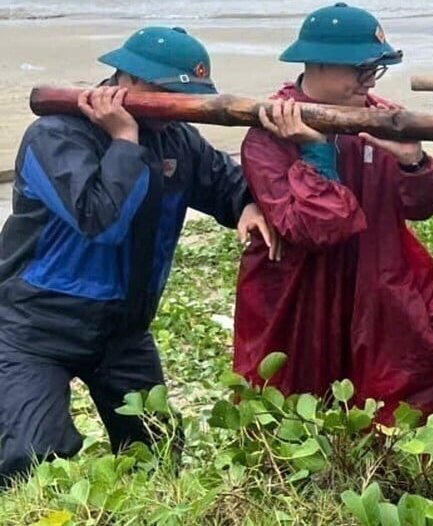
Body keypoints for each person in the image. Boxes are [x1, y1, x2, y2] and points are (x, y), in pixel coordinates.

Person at [0, 27, 276, 483]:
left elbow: (225, 182)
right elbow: (101, 220)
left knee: (157, 453)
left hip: (123, 330)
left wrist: (246, 203)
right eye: (168, 94)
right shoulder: (53, 137)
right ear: (126, 80)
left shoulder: (177, 140)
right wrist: (125, 140)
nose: (177, 106)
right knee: (31, 458)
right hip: (35, 328)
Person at [233, 2, 433, 424]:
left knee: (430, 367)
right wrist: (316, 151)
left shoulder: (381, 117)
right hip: (300, 289)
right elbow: (314, 229)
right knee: (295, 397)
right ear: (317, 63)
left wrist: (413, 162)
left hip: (378, 273)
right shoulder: (268, 135)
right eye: (360, 70)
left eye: (374, 70)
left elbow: (422, 206)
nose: (369, 81)